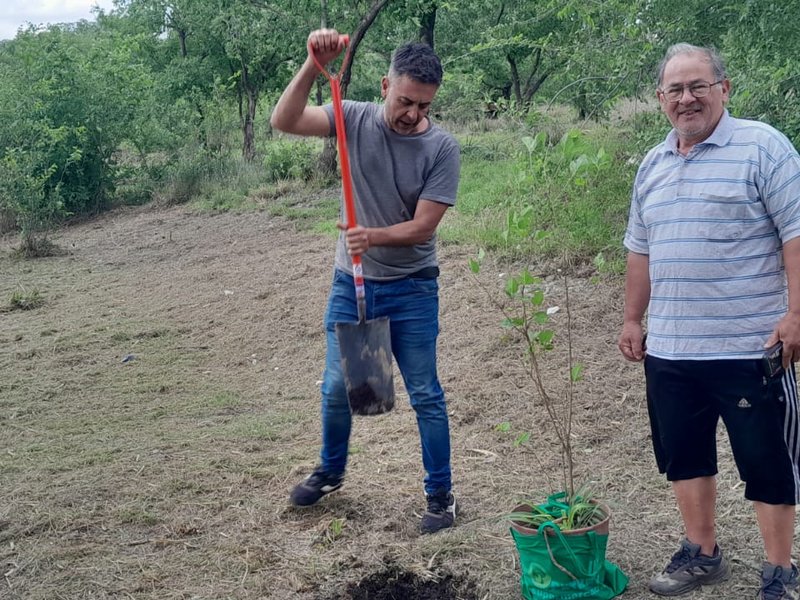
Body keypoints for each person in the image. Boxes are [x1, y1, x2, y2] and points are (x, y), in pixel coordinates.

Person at [618, 43, 800, 599]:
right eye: (675, 89)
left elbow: (796, 233)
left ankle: (780, 571)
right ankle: (702, 552)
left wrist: (797, 314)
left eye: (698, 85)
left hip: (750, 347)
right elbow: (640, 251)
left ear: (724, 89)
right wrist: (632, 318)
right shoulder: (652, 164)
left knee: (767, 461)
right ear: (660, 100)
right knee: (685, 456)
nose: (687, 98)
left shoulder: (764, 148)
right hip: (671, 349)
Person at [270, 29, 460, 534]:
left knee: (425, 392)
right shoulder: (350, 116)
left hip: (413, 287)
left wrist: (370, 236)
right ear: (384, 85)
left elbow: (423, 227)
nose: (413, 114)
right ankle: (331, 471)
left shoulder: (442, 148)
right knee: (337, 388)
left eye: (423, 106)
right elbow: (283, 120)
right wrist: (313, 66)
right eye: (405, 101)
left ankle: (441, 495)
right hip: (350, 283)